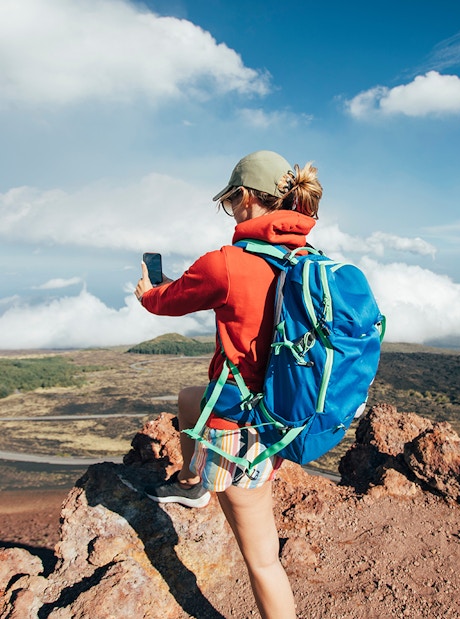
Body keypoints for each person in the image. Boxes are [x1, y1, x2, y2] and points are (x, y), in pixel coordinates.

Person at [134, 150, 323, 619]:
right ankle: (192, 481)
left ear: (243, 198)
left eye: (230, 202)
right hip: (289, 412)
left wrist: (146, 293)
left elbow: (166, 302)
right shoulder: (307, 257)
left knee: (262, 562)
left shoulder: (227, 263)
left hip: (243, 429)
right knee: (188, 400)